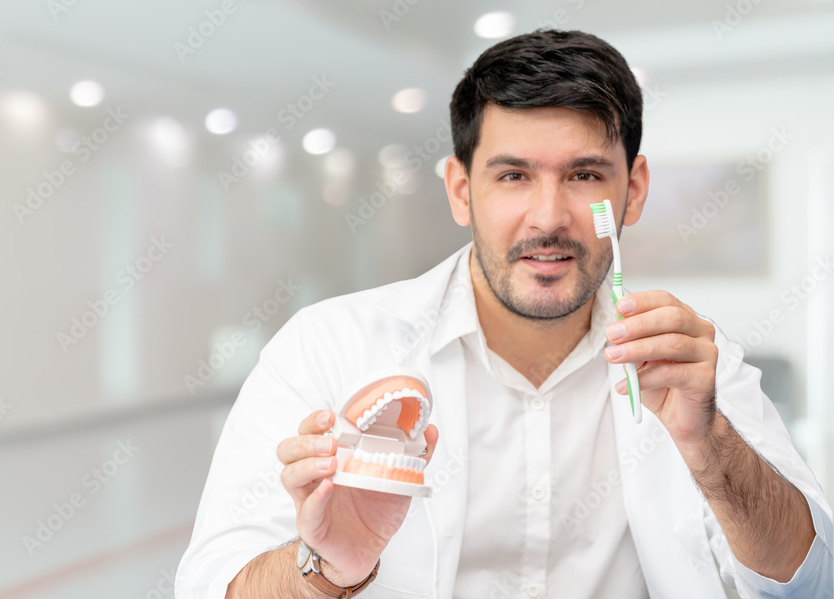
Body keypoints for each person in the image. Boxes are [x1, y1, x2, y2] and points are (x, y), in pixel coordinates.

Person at [175, 29, 833, 598]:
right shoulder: (327, 348)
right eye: (513, 176)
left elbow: (811, 578)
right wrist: (326, 568)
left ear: (631, 192)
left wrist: (709, 443)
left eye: (583, 175)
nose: (548, 218)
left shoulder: (696, 369)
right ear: (462, 191)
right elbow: (211, 583)